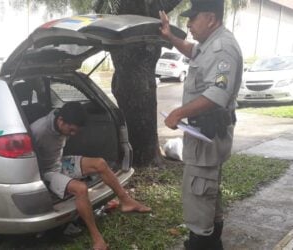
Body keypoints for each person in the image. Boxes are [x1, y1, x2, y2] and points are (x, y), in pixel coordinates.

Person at [159, 0, 243, 249]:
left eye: (193, 18)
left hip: (208, 135)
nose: (188, 24)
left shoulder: (222, 49)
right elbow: (193, 51)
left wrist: (178, 113)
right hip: (204, 134)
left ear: (211, 19)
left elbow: (218, 93)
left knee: (199, 195)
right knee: (209, 194)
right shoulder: (210, 45)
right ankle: (209, 240)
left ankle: (201, 242)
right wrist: (169, 35)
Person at [31, 102, 151, 250]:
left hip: (59, 163)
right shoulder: (38, 131)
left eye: (76, 130)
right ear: (61, 121)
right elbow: (27, 162)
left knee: (100, 163)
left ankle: (126, 201)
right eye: (71, 130)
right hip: (47, 172)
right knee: (81, 189)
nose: (73, 134)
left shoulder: (61, 119)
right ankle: (97, 239)